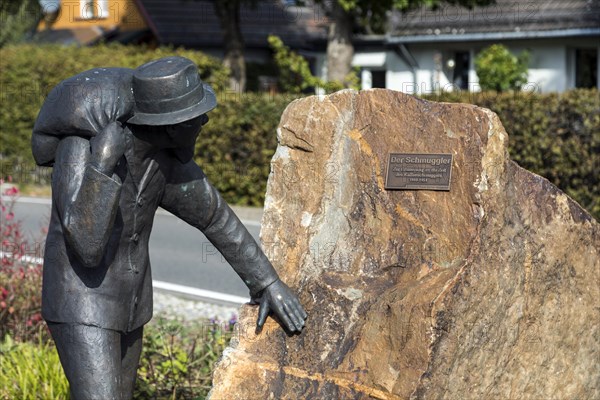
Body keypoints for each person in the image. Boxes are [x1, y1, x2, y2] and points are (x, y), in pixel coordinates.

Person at [32, 56, 307, 399]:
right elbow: (86, 247)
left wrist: (268, 283)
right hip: (80, 302)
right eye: (197, 118)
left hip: (129, 304)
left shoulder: (166, 162)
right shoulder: (81, 149)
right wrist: (102, 166)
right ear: (172, 125)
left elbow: (215, 218)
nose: (204, 121)